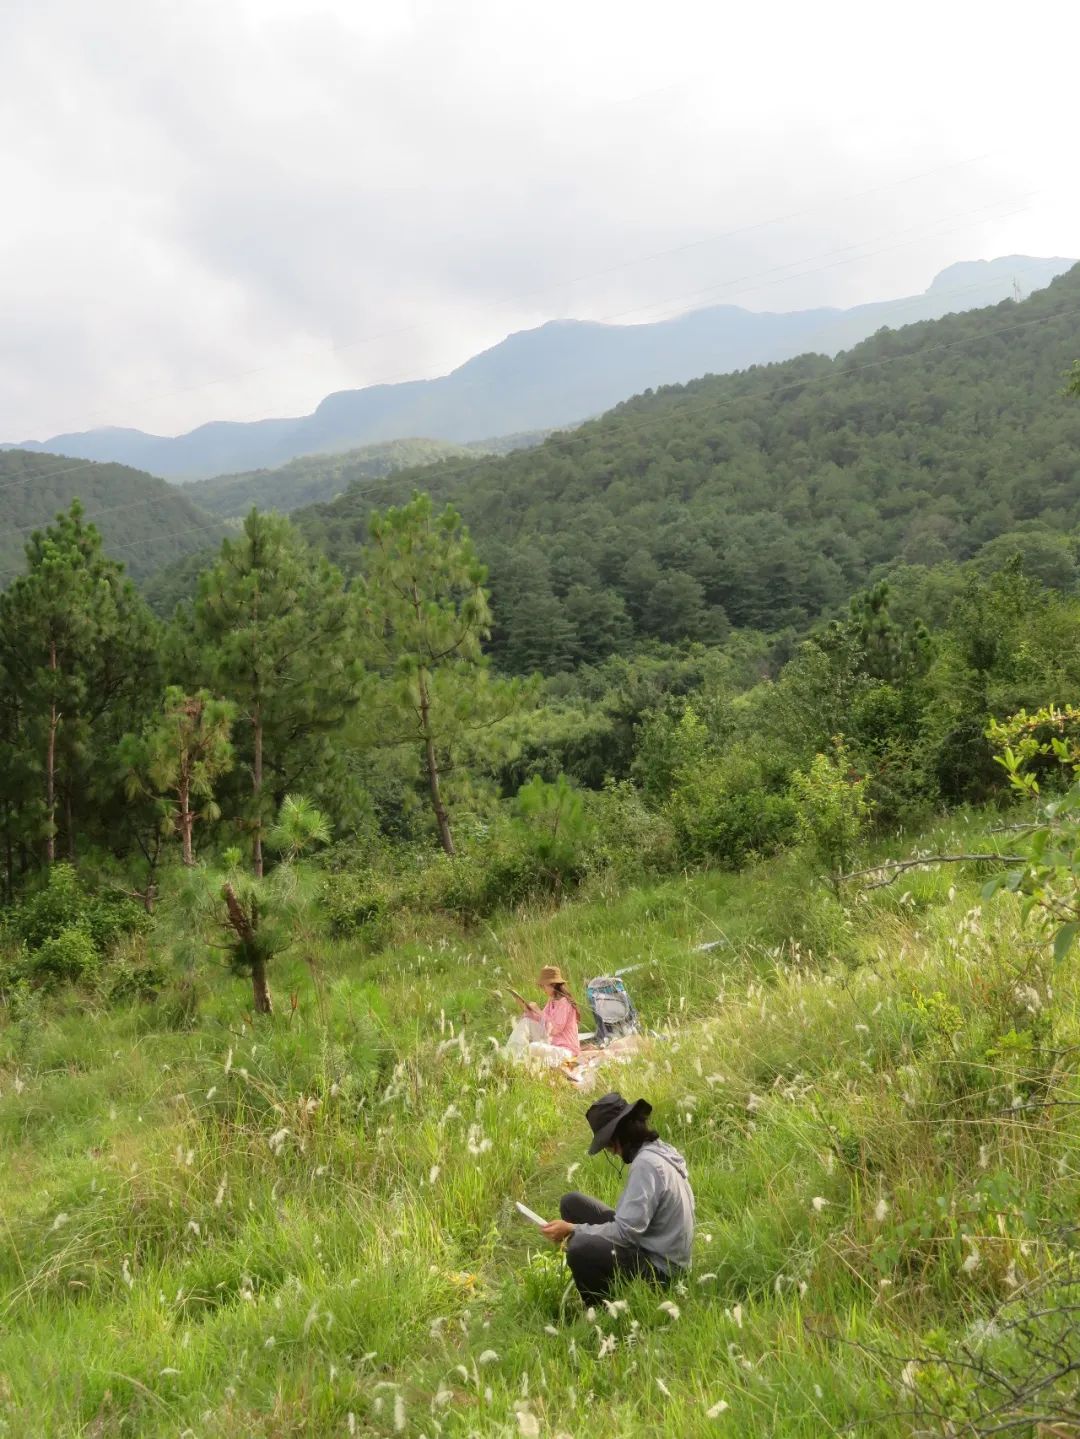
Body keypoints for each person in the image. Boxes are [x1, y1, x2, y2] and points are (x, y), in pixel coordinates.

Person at [540, 1092, 695, 1304]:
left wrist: (574, 1229)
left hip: (662, 1272)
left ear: (618, 1137)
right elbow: (632, 1226)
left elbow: (625, 1233)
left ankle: (602, 1310)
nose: (612, 1153)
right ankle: (596, 1278)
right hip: (652, 1245)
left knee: (579, 1248)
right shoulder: (658, 1150)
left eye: (608, 1145)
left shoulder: (646, 1165)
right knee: (572, 1203)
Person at [515, 965, 581, 1058]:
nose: (543, 989)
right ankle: (510, 1054)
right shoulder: (552, 1001)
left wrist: (538, 1011)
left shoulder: (564, 1003)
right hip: (553, 1045)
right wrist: (528, 1011)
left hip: (567, 1050)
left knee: (533, 1047)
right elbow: (541, 1020)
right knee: (526, 1022)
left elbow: (555, 1029)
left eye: (543, 986)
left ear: (553, 984)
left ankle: (516, 1061)